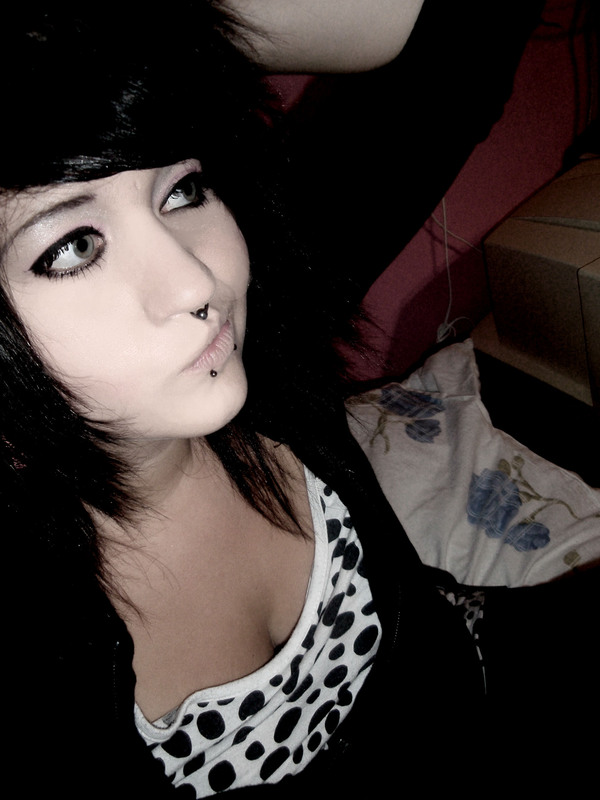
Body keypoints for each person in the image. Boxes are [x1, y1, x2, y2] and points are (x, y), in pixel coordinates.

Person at [1, 3, 596, 798]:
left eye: (182, 190)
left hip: (472, 669)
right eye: (74, 247)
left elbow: (460, 46)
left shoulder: (270, 330)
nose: (197, 283)